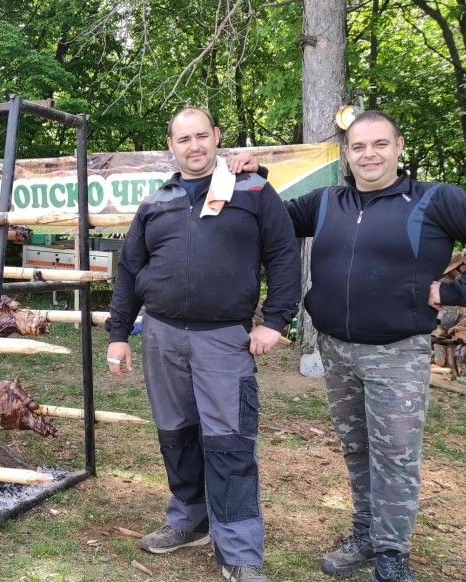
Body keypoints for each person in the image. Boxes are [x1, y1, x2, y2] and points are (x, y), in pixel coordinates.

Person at [229, 110, 466, 582]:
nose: (369, 154)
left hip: (397, 351)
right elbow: (274, 222)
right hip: (336, 349)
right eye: (359, 146)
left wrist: (456, 293)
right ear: (347, 153)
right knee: (357, 448)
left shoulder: (433, 199)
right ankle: (366, 533)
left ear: (399, 147)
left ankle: (391, 556)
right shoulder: (327, 202)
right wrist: (259, 178)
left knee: (396, 454)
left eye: (379, 144)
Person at [106, 107, 301, 582]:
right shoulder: (155, 201)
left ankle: (239, 552)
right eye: (183, 139)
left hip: (222, 340)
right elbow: (130, 270)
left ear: (217, 137)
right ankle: (189, 520)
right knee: (176, 435)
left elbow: (282, 255)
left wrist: (275, 321)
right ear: (170, 147)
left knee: (229, 442)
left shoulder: (252, 190)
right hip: (161, 336)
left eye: (201, 136)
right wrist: (118, 334)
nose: (193, 146)